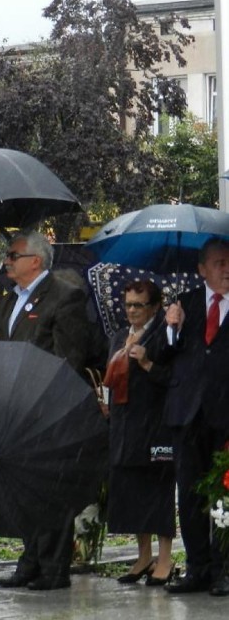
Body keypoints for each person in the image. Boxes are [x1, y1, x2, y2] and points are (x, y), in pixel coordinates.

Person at [0, 230, 91, 590]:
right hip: (14, 408)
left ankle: (53, 568)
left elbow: (70, 359)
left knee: (50, 488)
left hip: (48, 408)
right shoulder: (7, 300)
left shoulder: (65, 297)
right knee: (24, 488)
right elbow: (5, 350)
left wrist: (43, 394)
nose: (6, 260)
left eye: (13, 254)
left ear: (35, 260)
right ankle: (31, 560)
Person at [161, 238, 229, 597]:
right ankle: (197, 567)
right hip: (187, 413)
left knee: (223, 494)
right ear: (202, 269)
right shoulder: (183, 302)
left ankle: (223, 568)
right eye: (219, 263)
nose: (226, 268)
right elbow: (161, 353)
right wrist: (172, 327)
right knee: (188, 494)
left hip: (224, 412)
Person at [102, 280, 175, 586]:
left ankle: (165, 559)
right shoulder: (120, 336)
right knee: (131, 491)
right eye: (128, 304)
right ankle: (143, 557)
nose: (132, 310)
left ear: (154, 307)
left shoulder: (163, 336)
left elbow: (174, 378)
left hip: (154, 427)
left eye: (139, 305)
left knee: (156, 491)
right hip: (123, 425)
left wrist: (146, 363)